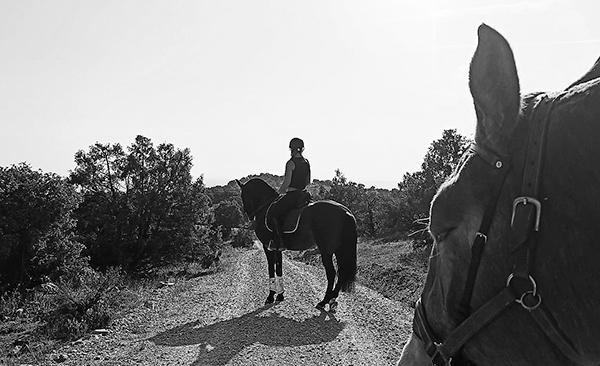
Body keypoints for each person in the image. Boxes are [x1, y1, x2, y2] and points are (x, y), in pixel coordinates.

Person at [267, 137, 311, 251]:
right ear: (302, 149)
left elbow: (287, 183)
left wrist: (278, 192)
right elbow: (308, 182)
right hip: (304, 195)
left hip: (292, 195)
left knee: (273, 212)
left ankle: (280, 242)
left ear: (291, 149)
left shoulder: (290, 163)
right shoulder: (306, 162)